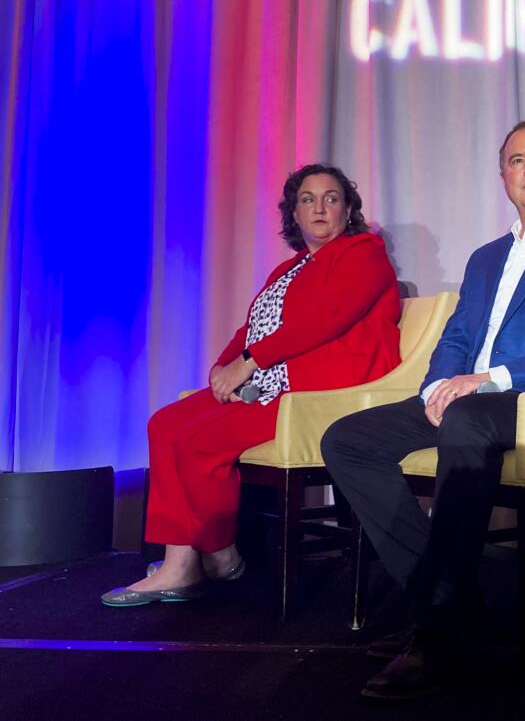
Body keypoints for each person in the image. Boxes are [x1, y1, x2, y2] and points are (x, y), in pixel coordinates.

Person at [321, 121, 525, 700]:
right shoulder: (485, 257)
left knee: (466, 418)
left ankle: (435, 632)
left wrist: (488, 379)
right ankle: (448, 598)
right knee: (346, 439)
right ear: (504, 178)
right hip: (466, 396)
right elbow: (457, 336)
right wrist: (439, 385)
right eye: (518, 161)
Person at [101, 164, 401, 606]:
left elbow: (325, 319)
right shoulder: (289, 268)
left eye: (332, 198)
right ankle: (209, 558)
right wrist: (222, 368)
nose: (320, 207)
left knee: (200, 440)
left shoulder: (363, 252)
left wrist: (247, 364)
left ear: (348, 209)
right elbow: (253, 328)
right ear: (294, 214)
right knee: (166, 424)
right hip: (271, 381)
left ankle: (194, 561)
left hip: (318, 392)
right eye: (308, 199)